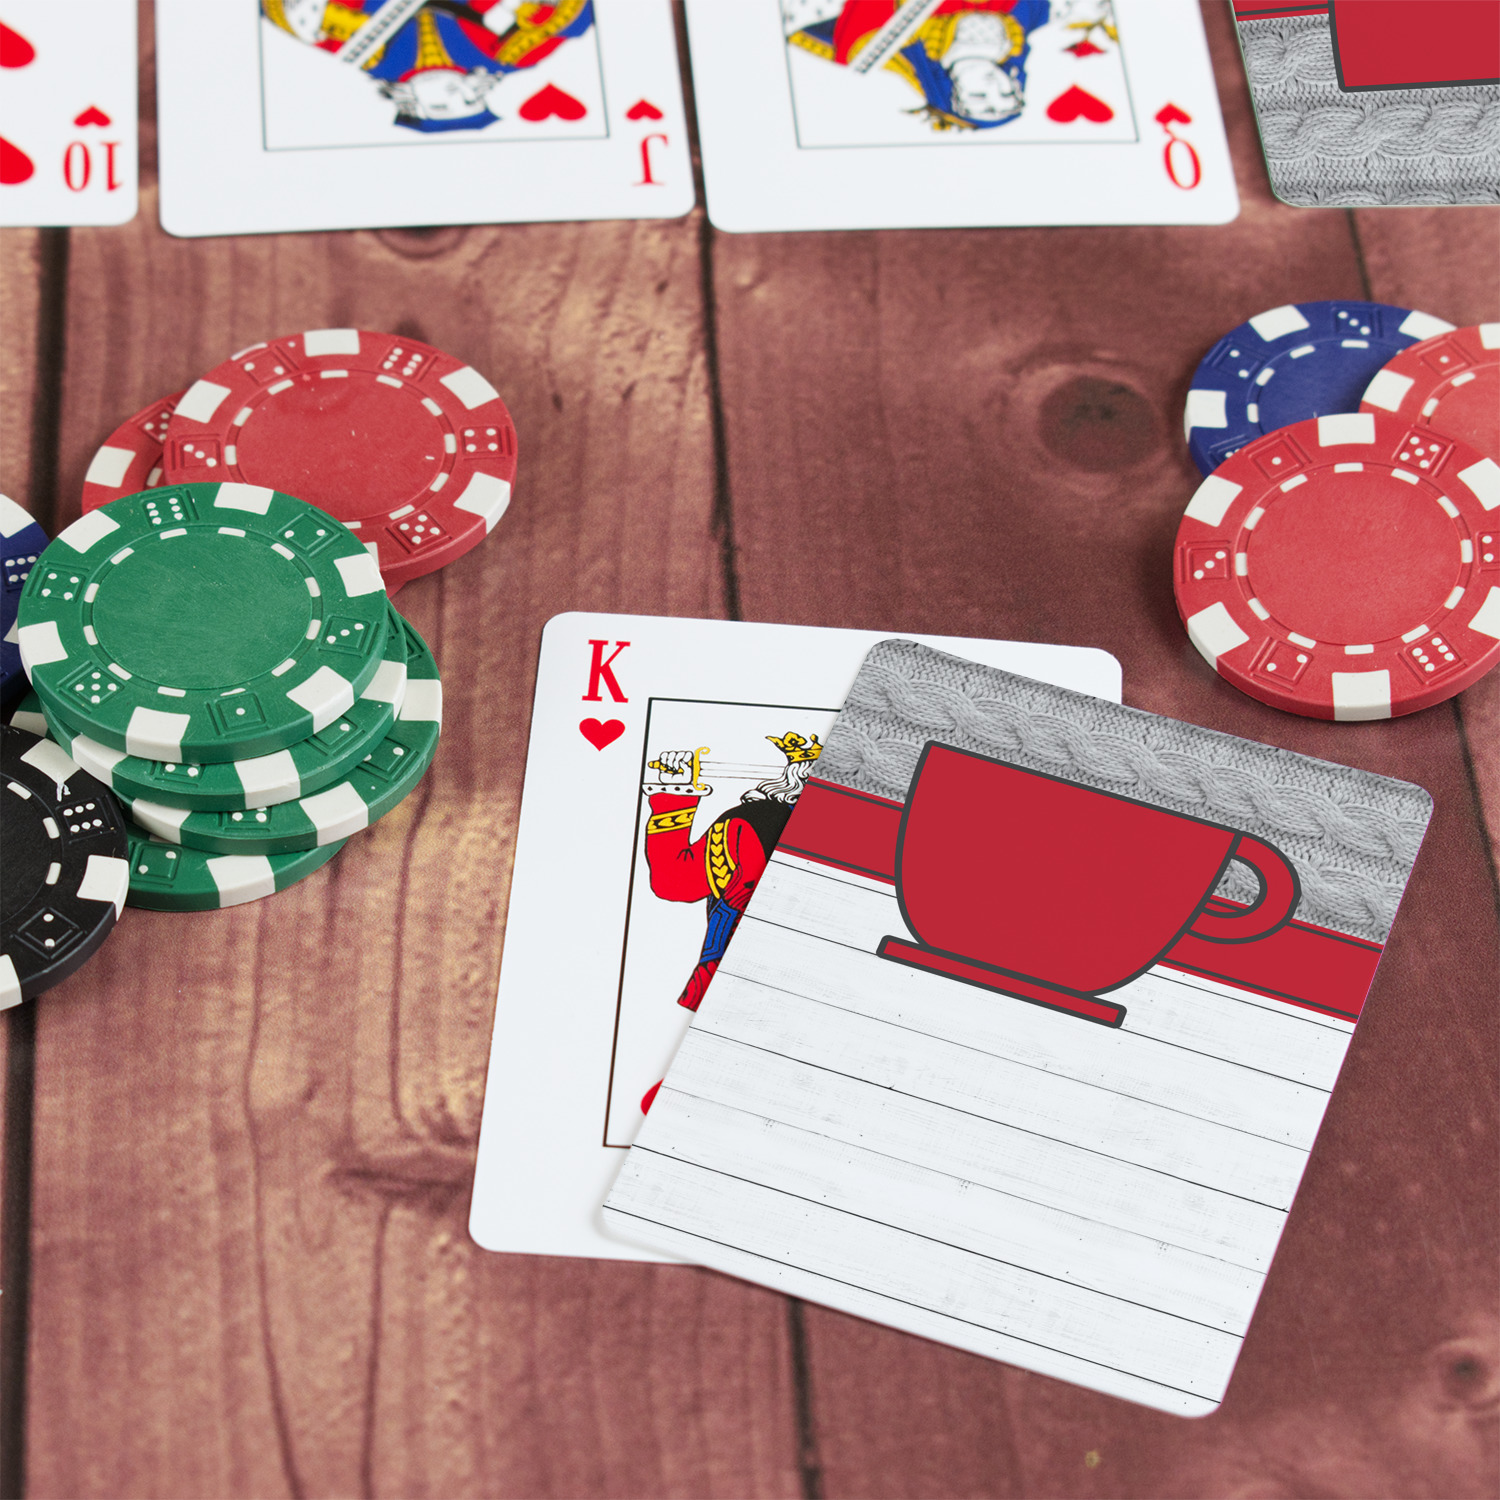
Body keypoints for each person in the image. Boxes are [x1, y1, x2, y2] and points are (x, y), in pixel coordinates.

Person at [641, 731, 822, 1014]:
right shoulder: (755, 823)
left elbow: (673, 881)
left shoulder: (751, 823)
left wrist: (675, 791)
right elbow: (674, 882)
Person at [261, 0, 595, 133]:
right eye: (473, 101)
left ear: (409, 103)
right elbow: (575, 17)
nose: (466, 93)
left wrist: (329, 18)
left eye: (446, 105)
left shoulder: (368, 57)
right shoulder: (510, 54)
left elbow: (283, 13)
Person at [784, 0, 1052, 131]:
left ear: (952, 94)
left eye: (980, 96)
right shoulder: (1027, 20)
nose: (993, 87)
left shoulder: (873, 47)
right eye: (1006, 94)